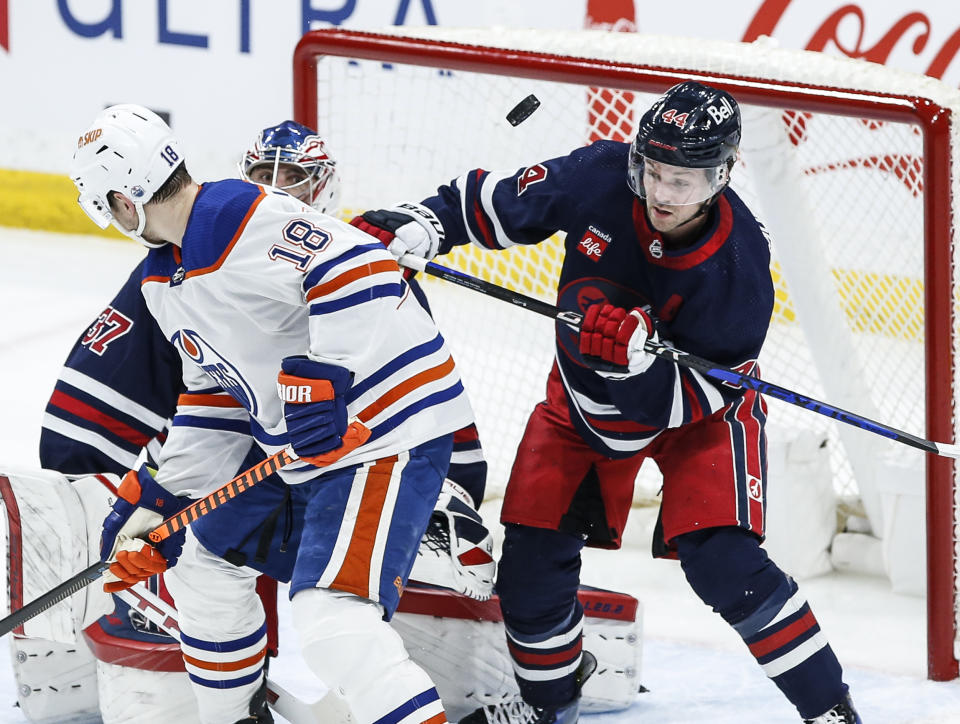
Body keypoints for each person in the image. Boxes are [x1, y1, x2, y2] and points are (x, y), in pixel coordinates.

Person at [351, 81, 862, 724]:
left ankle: (830, 710)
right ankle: (550, 703)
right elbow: (498, 204)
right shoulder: (599, 176)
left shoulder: (739, 262)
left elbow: (700, 395)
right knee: (531, 572)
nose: (662, 194)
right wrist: (426, 222)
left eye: (685, 180)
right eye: (654, 171)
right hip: (581, 406)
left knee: (725, 563)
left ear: (723, 175)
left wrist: (632, 371)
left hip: (701, 416)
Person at [68, 104, 479, 724]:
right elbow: (213, 396)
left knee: (331, 620)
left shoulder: (235, 214)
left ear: (125, 202)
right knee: (201, 564)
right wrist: (159, 499)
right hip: (305, 456)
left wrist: (327, 371)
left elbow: (359, 262)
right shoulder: (163, 281)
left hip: (382, 435)